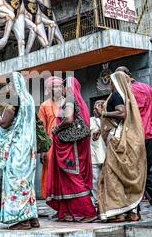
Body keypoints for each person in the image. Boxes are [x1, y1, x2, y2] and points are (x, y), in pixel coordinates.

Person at [116, 66, 152, 218]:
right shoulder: (146, 88)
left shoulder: (124, 91)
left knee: (134, 173)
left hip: (135, 138)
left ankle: (137, 210)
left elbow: (121, 114)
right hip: (150, 136)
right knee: (145, 172)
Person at [0, 72, 39, 230]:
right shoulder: (29, 99)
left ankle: (21, 220)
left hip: (17, 149)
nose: (7, 88)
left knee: (16, 183)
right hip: (28, 148)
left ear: (14, 85)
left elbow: (4, 123)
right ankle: (32, 218)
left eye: (8, 84)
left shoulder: (14, 101)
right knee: (26, 184)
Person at [46, 77, 98, 223]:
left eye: (62, 85)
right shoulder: (79, 103)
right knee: (67, 178)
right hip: (71, 145)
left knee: (72, 177)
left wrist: (57, 128)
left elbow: (68, 119)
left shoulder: (69, 100)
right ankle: (66, 212)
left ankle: (89, 212)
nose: (61, 88)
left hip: (69, 148)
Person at [98, 71, 147, 222]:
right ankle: (132, 213)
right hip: (125, 140)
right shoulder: (125, 96)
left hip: (117, 142)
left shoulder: (116, 95)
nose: (110, 84)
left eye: (111, 81)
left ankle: (117, 213)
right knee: (126, 176)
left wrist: (103, 113)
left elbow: (122, 114)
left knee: (113, 176)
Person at [38, 76, 65, 199]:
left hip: (66, 143)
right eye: (55, 87)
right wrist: (43, 149)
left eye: (60, 86)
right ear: (50, 89)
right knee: (51, 171)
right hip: (51, 145)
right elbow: (41, 128)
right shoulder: (44, 105)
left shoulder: (68, 103)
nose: (58, 89)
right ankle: (53, 199)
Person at [90, 100, 106, 207]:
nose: (94, 110)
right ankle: (96, 200)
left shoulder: (109, 120)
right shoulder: (91, 120)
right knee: (95, 179)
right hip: (94, 154)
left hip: (106, 154)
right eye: (94, 108)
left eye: (97, 108)